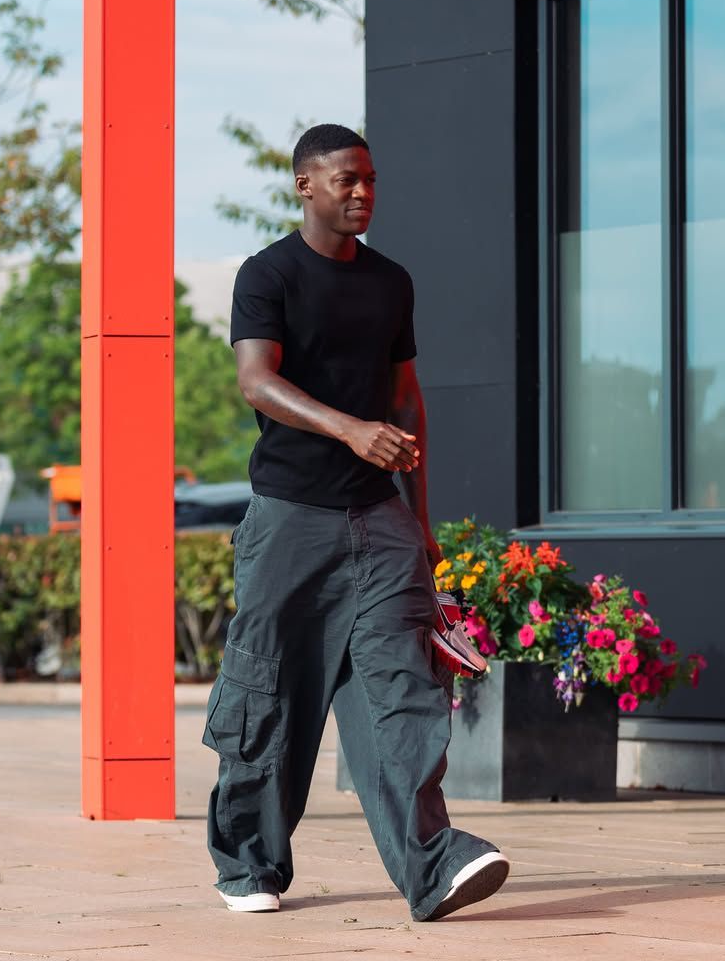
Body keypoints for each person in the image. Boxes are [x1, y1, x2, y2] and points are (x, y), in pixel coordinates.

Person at [203, 124, 509, 921]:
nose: (364, 193)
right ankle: (249, 865)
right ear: (305, 185)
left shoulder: (390, 282)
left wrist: (422, 519)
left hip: (380, 519)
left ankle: (432, 868)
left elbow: (406, 401)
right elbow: (256, 381)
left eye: (371, 179)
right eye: (347, 180)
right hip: (290, 518)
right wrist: (348, 430)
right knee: (270, 690)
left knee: (403, 693)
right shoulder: (268, 274)